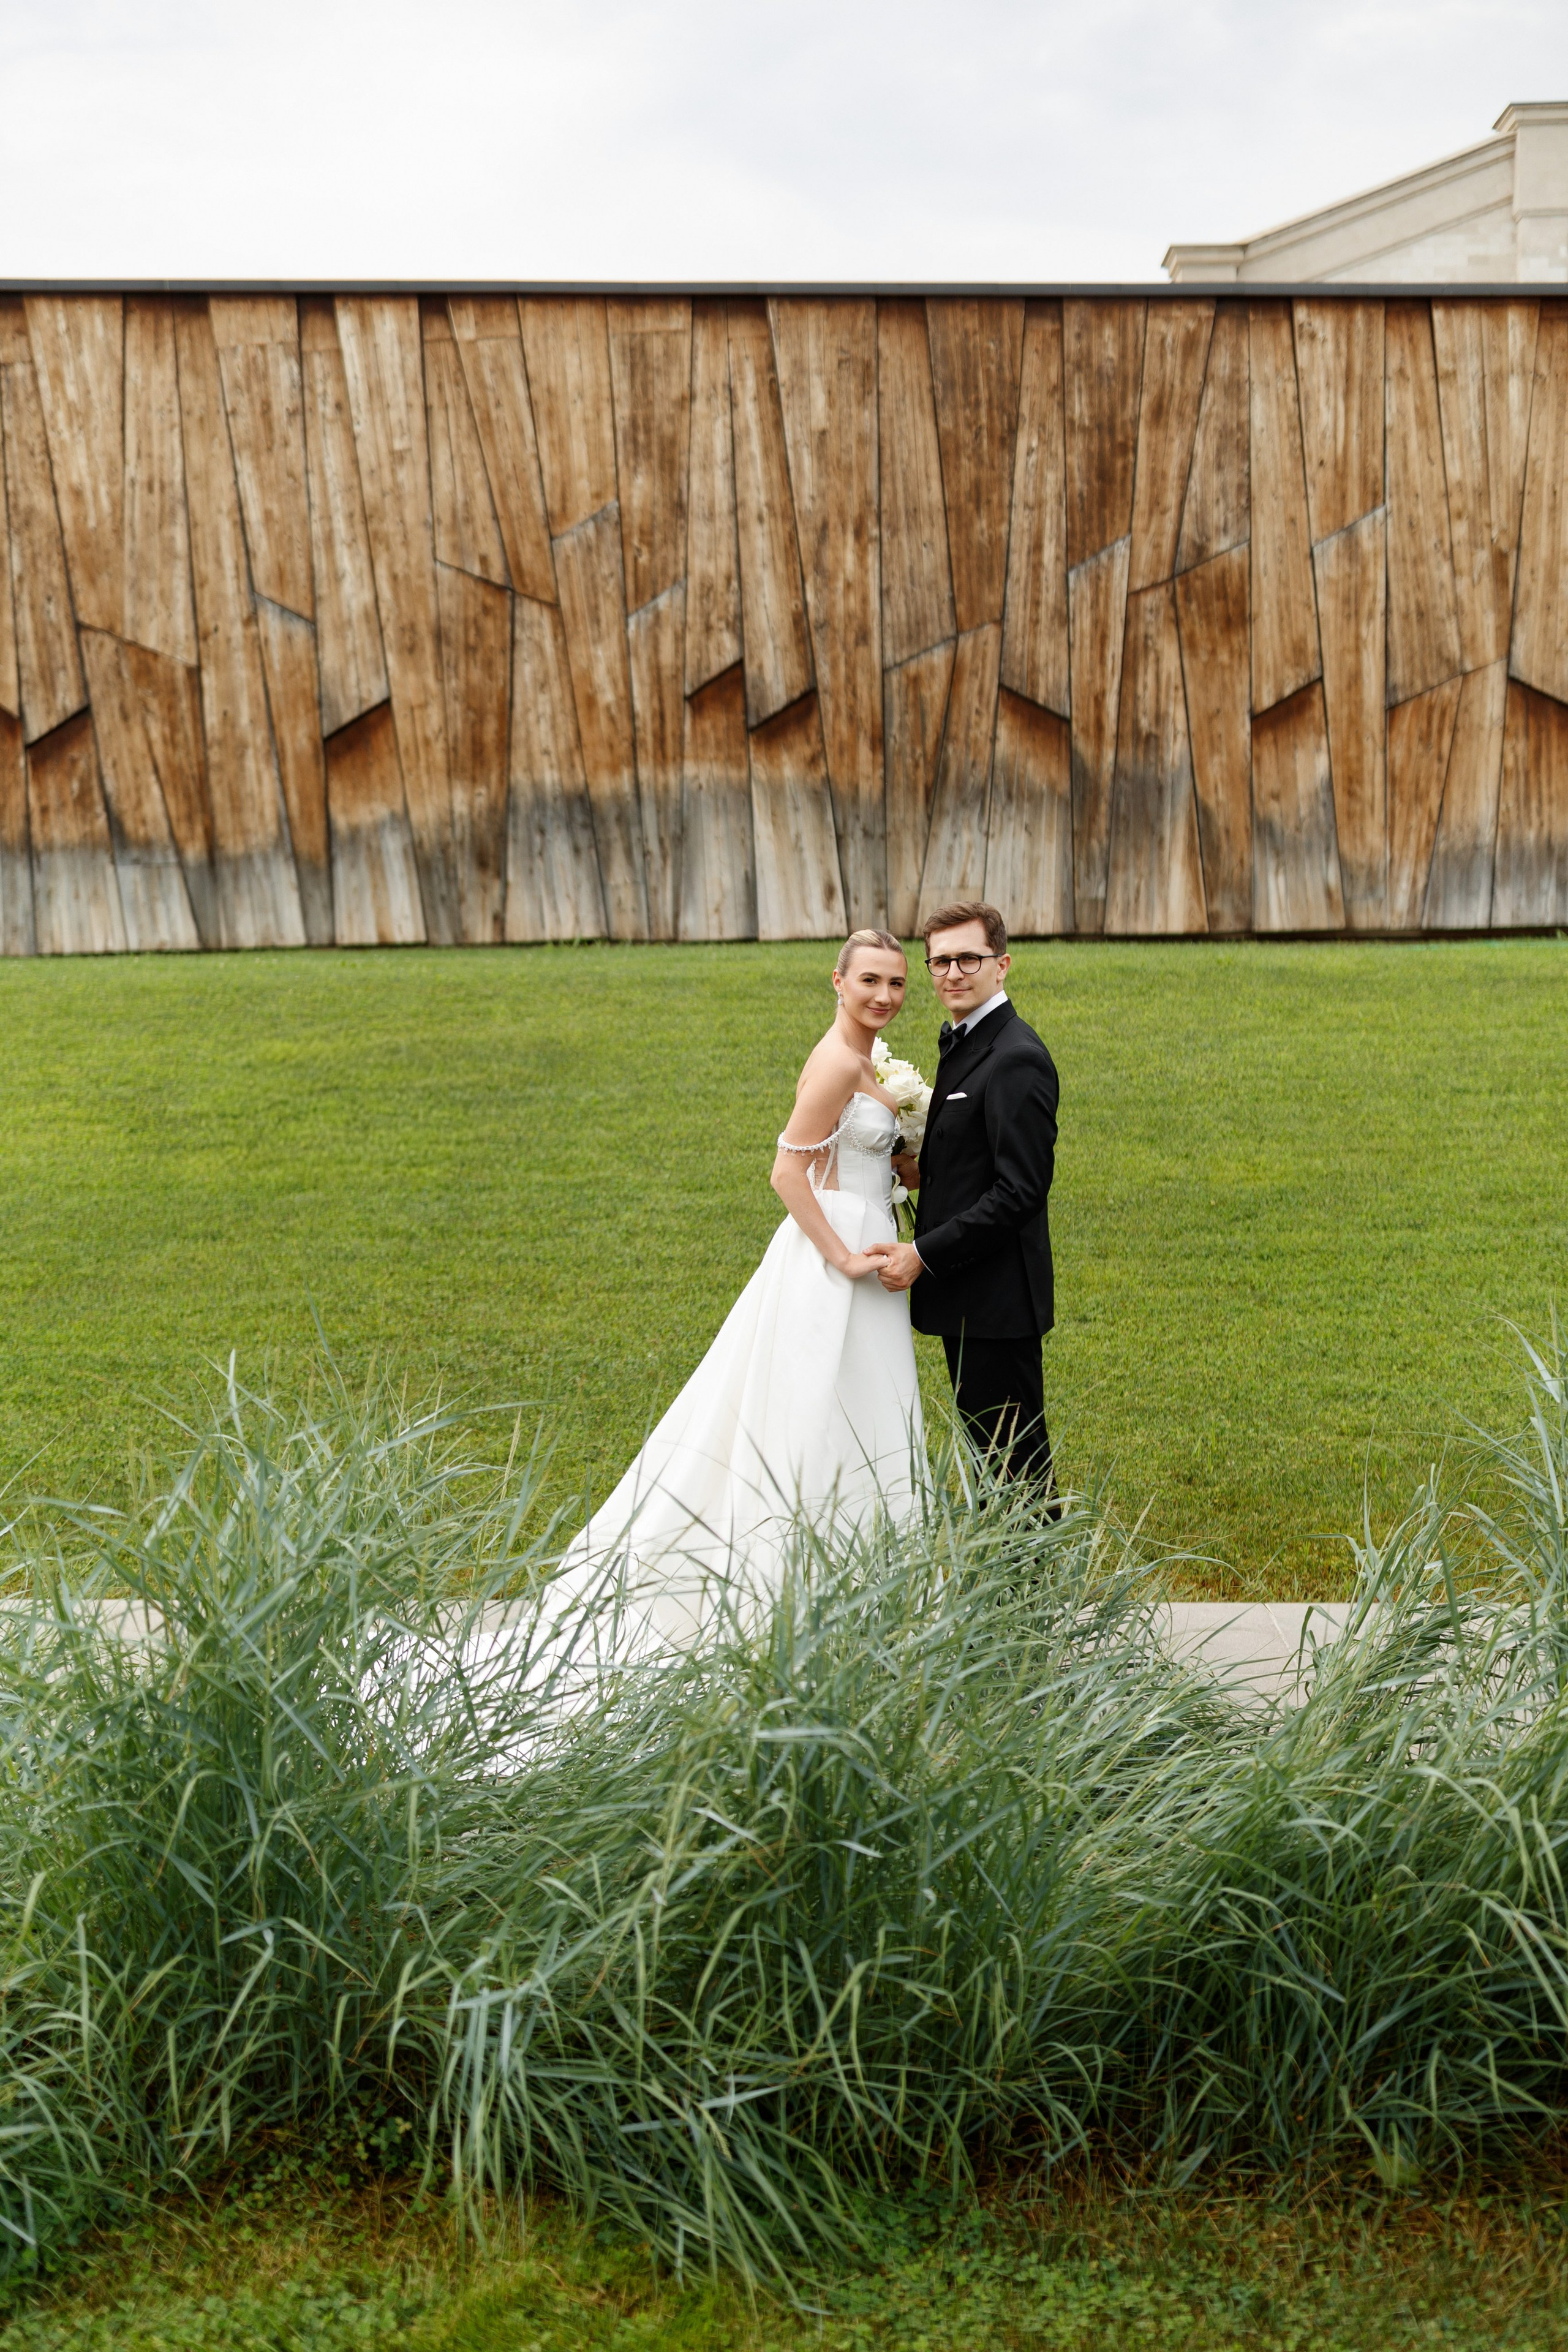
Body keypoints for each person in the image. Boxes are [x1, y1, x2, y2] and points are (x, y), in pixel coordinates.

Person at [553, 929, 923, 1646]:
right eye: (870, 980)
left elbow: (858, 1154)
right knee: (813, 1411)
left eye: (897, 983)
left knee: (859, 1410)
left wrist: (906, 1159)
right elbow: (786, 1172)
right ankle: (779, 1599)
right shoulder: (837, 1064)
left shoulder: (866, 1063)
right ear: (837, 982)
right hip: (834, 1262)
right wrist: (843, 1259)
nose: (884, 995)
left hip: (867, 1240)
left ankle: (856, 1593)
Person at [872, 900, 1059, 1498]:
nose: (953, 973)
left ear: (1000, 965)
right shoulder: (968, 1040)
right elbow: (980, 1155)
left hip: (996, 1307)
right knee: (996, 1469)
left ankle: (1038, 1593)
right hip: (971, 1302)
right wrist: (918, 1169)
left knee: (1016, 1474)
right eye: (940, 961)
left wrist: (920, 1253)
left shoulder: (1015, 1058)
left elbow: (1019, 1192)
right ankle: (1019, 1592)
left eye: (968, 959)